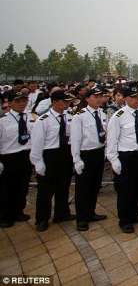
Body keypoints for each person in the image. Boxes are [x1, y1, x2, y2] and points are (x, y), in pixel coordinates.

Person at [106, 84, 138, 234]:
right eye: (133, 97)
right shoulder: (118, 117)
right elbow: (112, 140)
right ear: (126, 98)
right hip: (127, 156)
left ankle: (135, 214)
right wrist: (114, 160)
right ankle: (125, 220)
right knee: (126, 190)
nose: (136, 100)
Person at [30, 90, 76, 231]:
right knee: (46, 190)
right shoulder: (44, 120)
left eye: (68, 101)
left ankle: (61, 213)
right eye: (64, 101)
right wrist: (38, 162)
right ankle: (42, 219)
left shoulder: (69, 117)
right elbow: (37, 143)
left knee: (63, 186)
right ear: (55, 102)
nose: (67, 104)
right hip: (49, 155)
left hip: (65, 154)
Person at [70, 88, 108, 231]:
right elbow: (75, 139)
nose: (98, 99)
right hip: (85, 154)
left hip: (98, 152)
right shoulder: (79, 116)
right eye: (95, 96)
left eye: (100, 96)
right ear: (87, 99)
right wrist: (76, 159)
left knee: (95, 185)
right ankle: (82, 218)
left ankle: (91, 212)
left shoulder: (101, 113)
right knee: (83, 188)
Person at [0, 91, 33, 228]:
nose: (22, 104)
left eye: (24, 101)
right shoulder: (3, 121)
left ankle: (18, 211)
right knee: (5, 189)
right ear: (10, 103)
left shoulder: (30, 117)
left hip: (25, 156)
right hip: (8, 157)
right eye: (18, 101)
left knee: (22, 186)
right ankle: (4, 216)